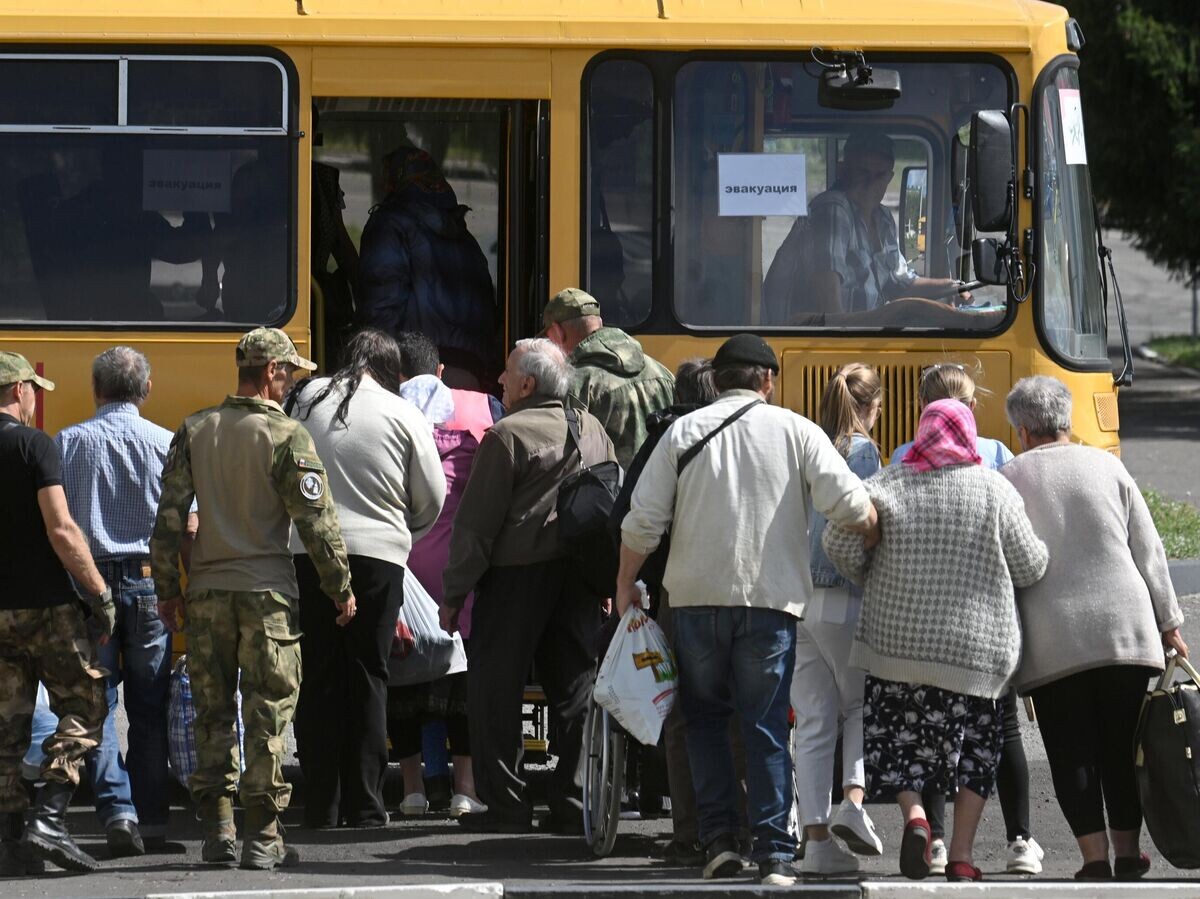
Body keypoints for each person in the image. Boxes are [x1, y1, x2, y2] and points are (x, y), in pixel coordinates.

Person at [617, 334, 879, 887]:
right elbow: (854, 506)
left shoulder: (681, 433)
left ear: (718, 379)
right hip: (770, 606)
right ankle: (776, 854)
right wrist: (876, 543)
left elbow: (642, 522)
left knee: (705, 724)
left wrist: (624, 584)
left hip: (693, 603)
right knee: (763, 727)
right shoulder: (795, 430)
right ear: (767, 380)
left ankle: (718, 845)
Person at [150, 327, 357, 870]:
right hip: (267, 595)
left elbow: (168, 521)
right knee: (267, 716)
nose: (289, 384)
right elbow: (317, 523)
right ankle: (262, 837)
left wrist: (168, 592)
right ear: (270, 372)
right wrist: (340, 589)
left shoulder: (196, 429)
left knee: (213, 714)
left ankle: (218, 831)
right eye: (288, 373)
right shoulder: (286, 435)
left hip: (209, 596)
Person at [823, 398, 1048, 883]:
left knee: (901, 743)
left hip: (896, 646)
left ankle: (916, 818)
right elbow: (1031, 565)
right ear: (969, 434)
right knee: (976, 750)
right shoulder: (994, 489)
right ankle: (962, 855)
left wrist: (867, 567)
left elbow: (835, 541)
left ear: (922, 433)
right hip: (976, 653)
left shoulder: (886, 484)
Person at [1000, 375, 1188, 881]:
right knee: (1122, 749)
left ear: (1021, 429)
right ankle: (1129, 854)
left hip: (1054, 638)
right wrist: (1169, 622)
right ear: (1068, 420)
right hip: (1124, 632)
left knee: (1069, 750)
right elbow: (1149, 551)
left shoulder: (1010, 476)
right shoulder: (1109, 466)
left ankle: (1094, 860)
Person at [441, 338, 615, 834]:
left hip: (517, 577)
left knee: (496, 690)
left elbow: (476, 526)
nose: (499, 379)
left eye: (507, 371)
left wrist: (455, 595)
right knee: (576, 689)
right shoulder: (593, 428)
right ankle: (573, 798)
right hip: (578, 577)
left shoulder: (506, 436)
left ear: (528, 383)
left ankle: (508, 805)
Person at [287, 328, 446, 829]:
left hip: (309, 553)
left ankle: (320, 803)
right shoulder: (402, 413)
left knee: (318, 674)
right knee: (369, 675)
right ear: (394, 371)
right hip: (379, 558)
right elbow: (432, 496)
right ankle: (367, 805)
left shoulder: (306, 399)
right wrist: (400, 534)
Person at [890, 362, 1043, 877]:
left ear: (922, 410)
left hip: (916, 619)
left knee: (926, 732)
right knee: (1000, 732)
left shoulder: (899, 462)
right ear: (972, 407)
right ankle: (1019, 838)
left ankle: (932, 840)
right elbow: (1023, 551)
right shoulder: (997, 458)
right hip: (984, 619)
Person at [35, 347, 176, 856]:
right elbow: (191, 522)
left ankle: (118, 812)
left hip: (87, 586)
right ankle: (156, 822)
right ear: (147, 389)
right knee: (149, 704)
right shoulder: (165, 442)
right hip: (147, 582)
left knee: (94, 703)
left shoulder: (68, 443)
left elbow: (55, 527)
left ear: (96, 389)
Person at [609, 358, 747, 866]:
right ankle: (748, 827)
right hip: (749, 592)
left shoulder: (669, 437)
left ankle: (692, 832)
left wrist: (629, 580)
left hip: (680, 594)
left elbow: (628, 517)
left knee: (685, 716)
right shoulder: (752, 435)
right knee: (742, 716)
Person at [0, 352, 113, 875]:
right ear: (18, 390)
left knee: (6, 722)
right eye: (33, 390)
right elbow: (62, 529)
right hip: (44, 606)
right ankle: (48, 819)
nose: (35, 399)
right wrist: (97, 594)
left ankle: (9, 840)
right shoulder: (31, 444)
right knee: (85, 703)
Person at [394, 330, 496, 818]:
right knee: (462, 676)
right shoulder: (482, 407)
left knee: (408, 676)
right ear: (439, 373)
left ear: (397, 375)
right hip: (462, 567)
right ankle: (464, 787)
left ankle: (413, 788)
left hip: (406, 568)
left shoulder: (384, 410)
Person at [791, 363, 884, 875]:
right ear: (873, 406)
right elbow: (862, 518)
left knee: (813, 721)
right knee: (858, 709)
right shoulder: (863, 451)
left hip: (800, 599)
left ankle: (817, 839)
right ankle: (853, 799)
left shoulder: (809, 445)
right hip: (844, 597)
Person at [762, 133, 965, 322]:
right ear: (842, 171)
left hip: (856, 335)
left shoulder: (883, 218)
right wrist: (895, 313)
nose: (871, 183)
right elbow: (831, 314)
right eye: (863, 173)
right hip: (810, 343)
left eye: (879, 176)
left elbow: (900, 284)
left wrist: (953, 286)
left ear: (889, 178)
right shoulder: (833, 207)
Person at [359, 144, 497, 387]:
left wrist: (379, 370)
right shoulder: (464, 238)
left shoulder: (390, 225)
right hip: (474, 370)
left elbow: (381, 305)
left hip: (416, 368)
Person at [541, 287, 674, 469]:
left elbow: (566, 458)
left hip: (610, 495)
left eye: (549, 338)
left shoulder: (576, 383)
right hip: (659, 492)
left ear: (558, 332)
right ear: (600, 322)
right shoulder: (662, 372)